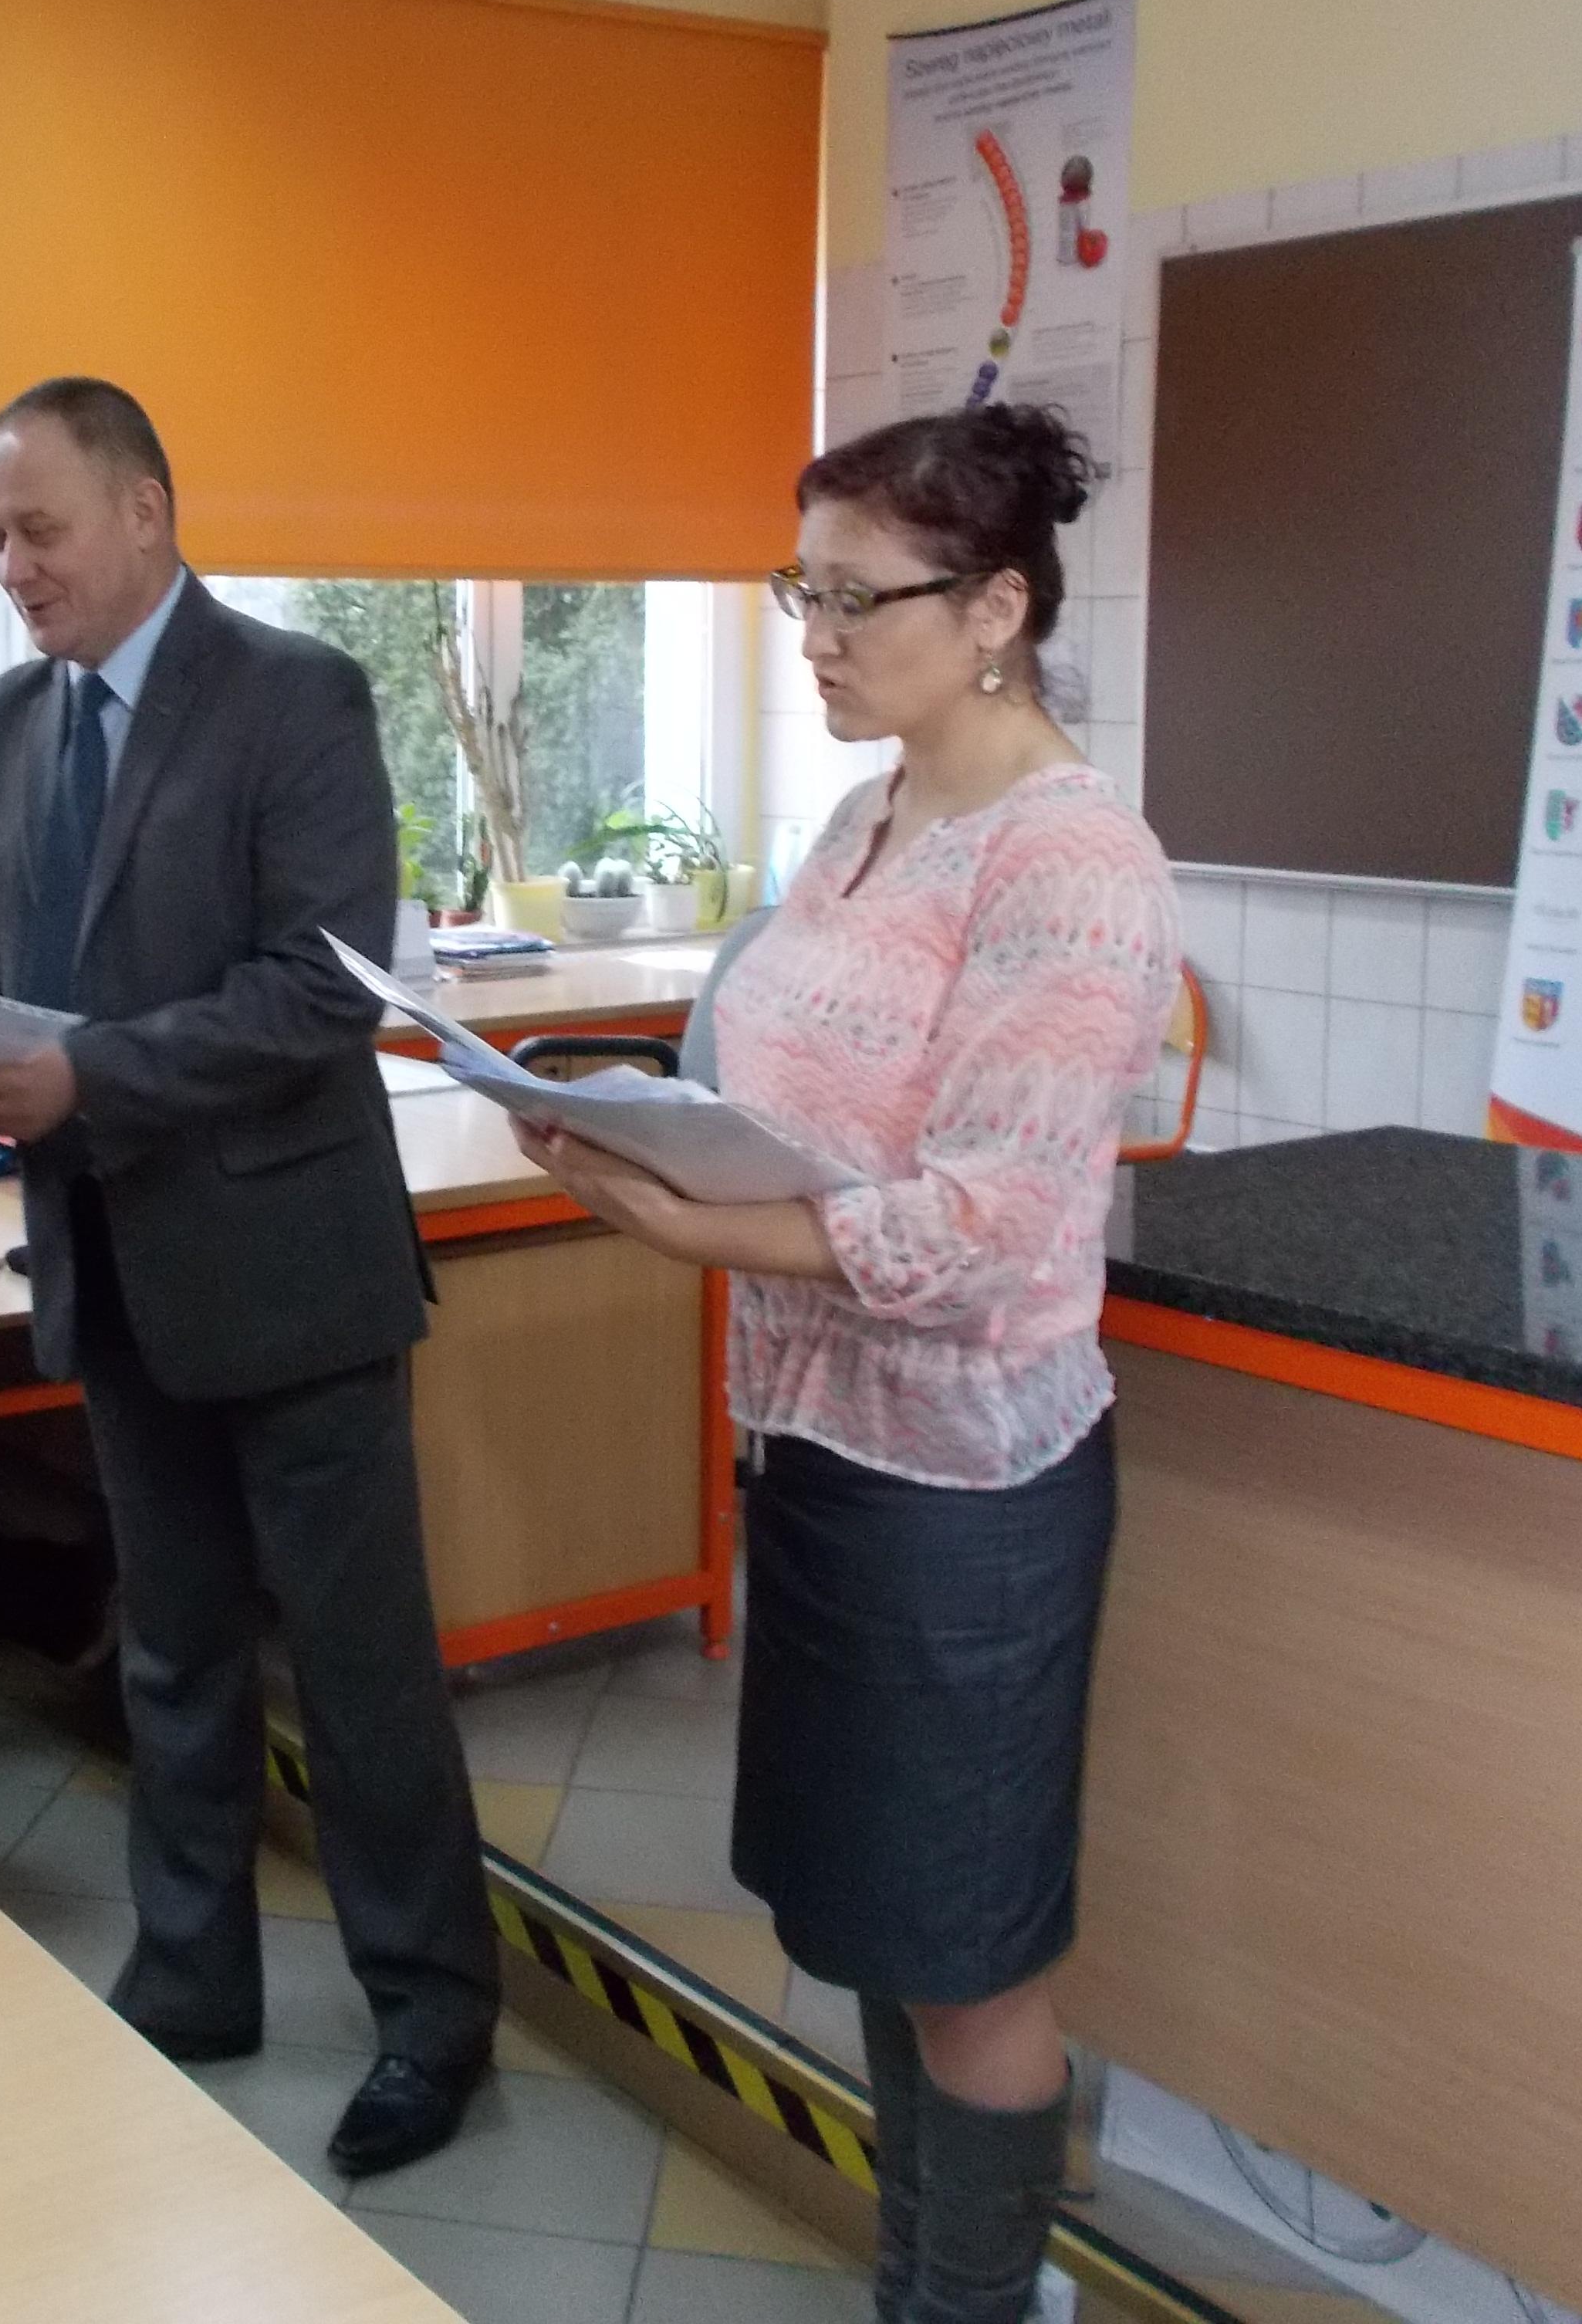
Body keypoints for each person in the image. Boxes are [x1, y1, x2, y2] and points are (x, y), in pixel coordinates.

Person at [508, 405, 1179, 2324]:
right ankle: (921, 2285)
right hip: (816, 1446)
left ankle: (971, 2301)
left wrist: (684, 1227)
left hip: (964, 1494)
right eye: (796, 588)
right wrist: (645, 1125)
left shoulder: (1073, 863)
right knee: (882, 1931)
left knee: (967, 1960)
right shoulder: (870, 818)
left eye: (850, 597)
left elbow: (984, 1230)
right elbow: (784, 1093)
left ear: (996, 609)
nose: (809, 634)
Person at [0, 377, 495, 2178]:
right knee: (168, 1654)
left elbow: (319, 988)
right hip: (111, 1269)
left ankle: (432, 2014)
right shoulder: (2, 723)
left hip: (289, 1272)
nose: (11, 565)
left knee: (361, 1672)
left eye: (39, 527)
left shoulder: (293, 697)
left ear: (146, 510)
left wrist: (83, 1079)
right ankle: (191, 1973)